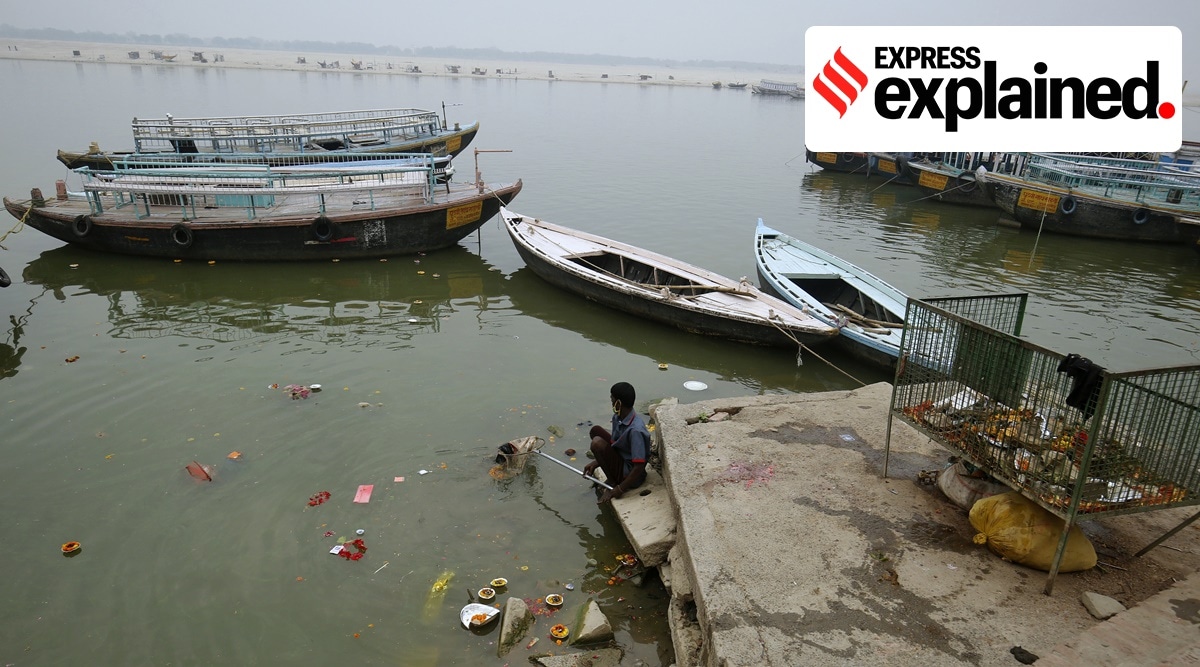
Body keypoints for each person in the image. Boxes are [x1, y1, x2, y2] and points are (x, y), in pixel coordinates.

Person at [583, 381, 650, 504]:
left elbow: (639, 466)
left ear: (618, 403)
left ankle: (613, 481)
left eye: (612, 400)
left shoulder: (636, 430)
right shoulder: (618, 418)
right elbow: (615, 446)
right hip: (622, 456)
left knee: (597, 443)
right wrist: (596, 462)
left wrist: (620, 489)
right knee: (595, 431)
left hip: (631, 473)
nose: (611, 402)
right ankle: (613, 475)